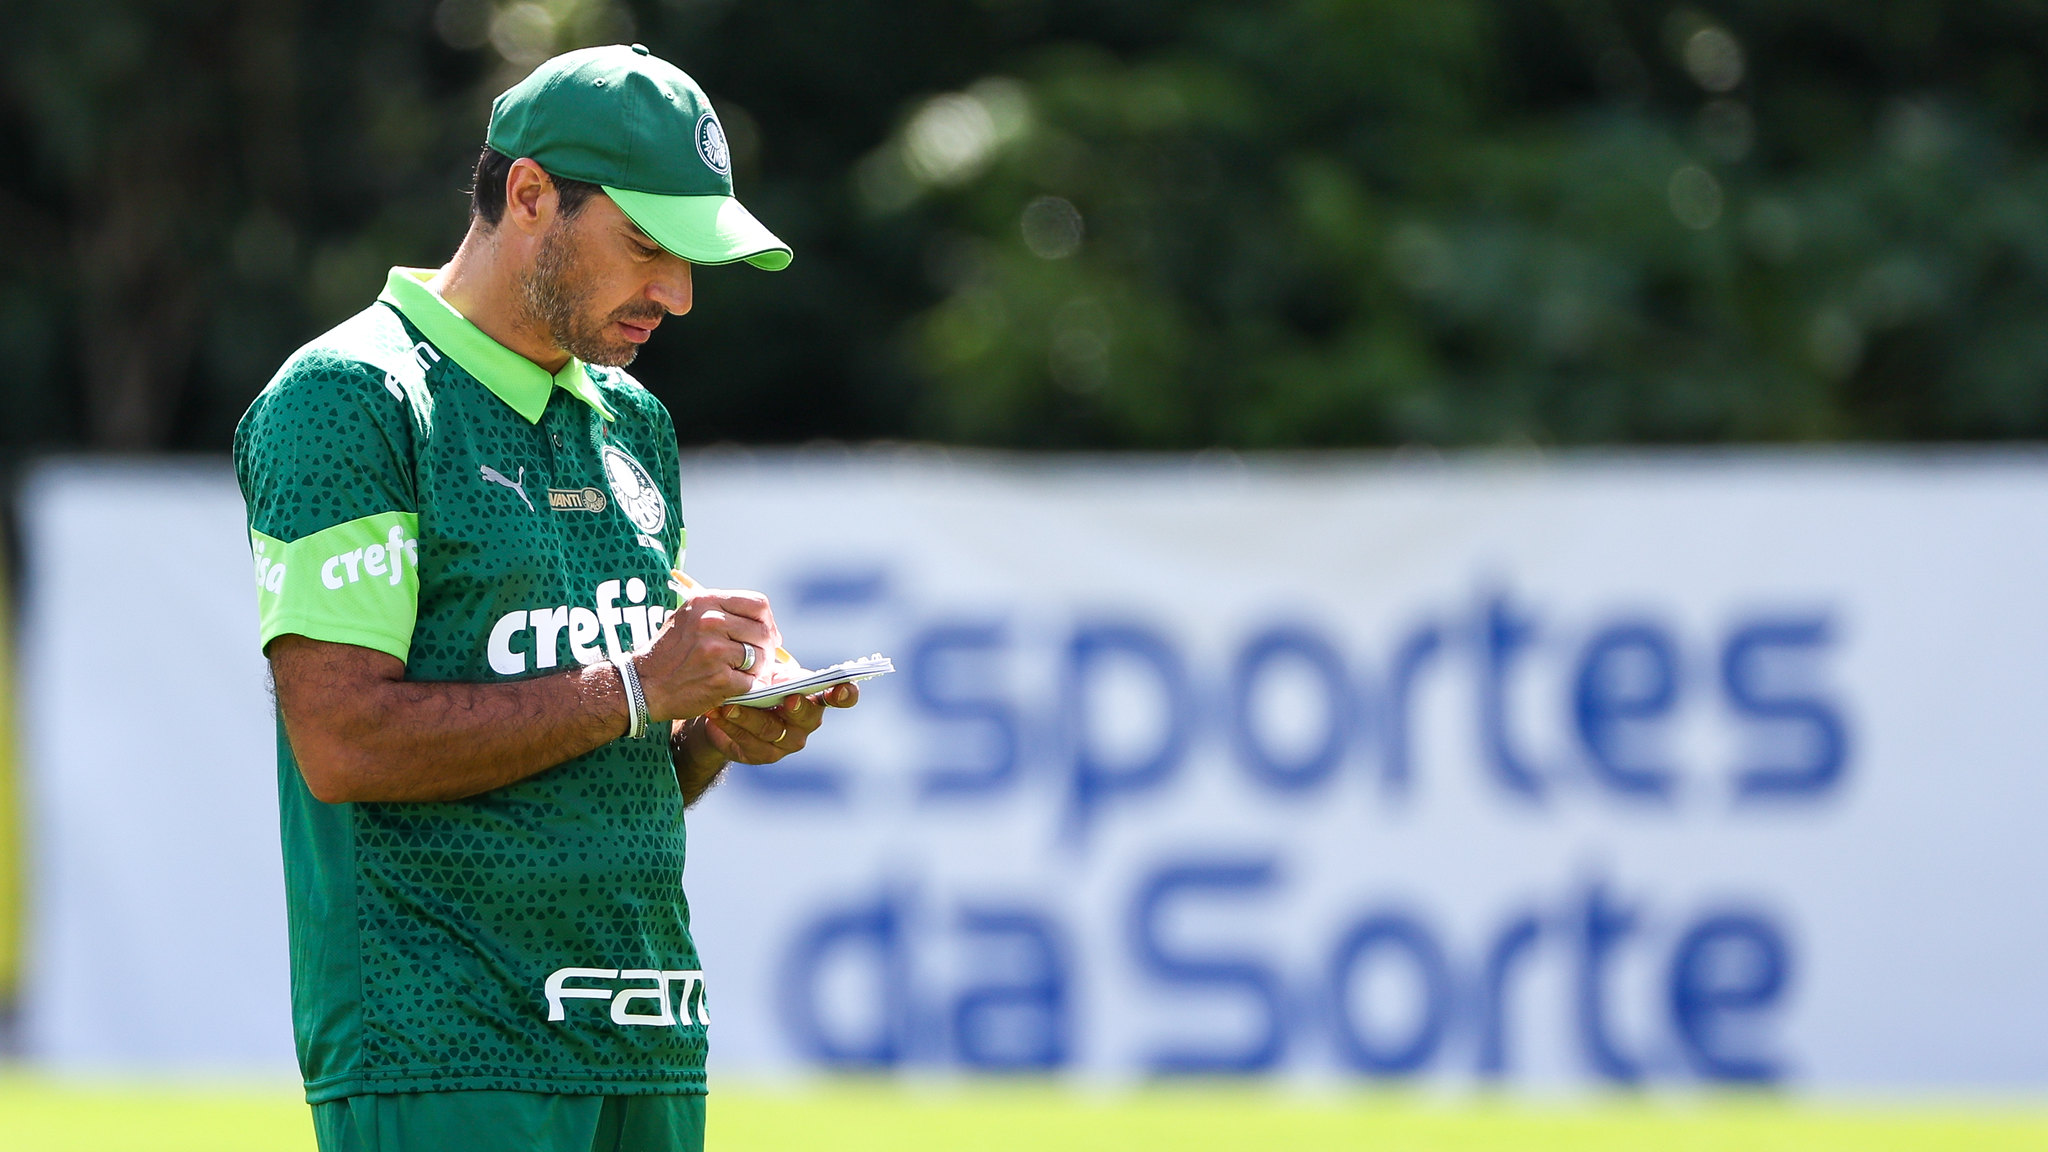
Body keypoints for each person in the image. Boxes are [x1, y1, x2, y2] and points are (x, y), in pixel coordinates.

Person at [234, 44, 851, 1152]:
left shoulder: (632, 423)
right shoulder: (349, 398)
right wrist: (632, 684)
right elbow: (342, 742)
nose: (677, 293)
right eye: (648, 245)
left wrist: (705, 729)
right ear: (528, 196)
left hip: (644, 1036)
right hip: (445, 1052)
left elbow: (603, 755)